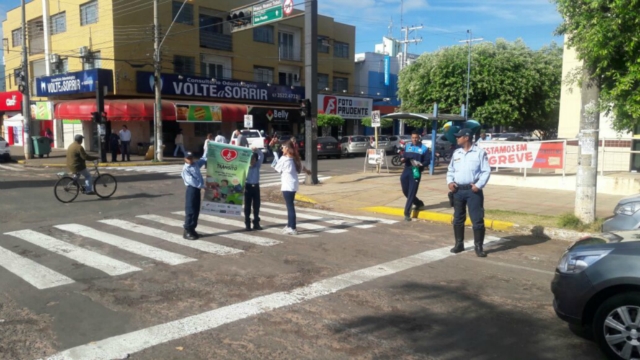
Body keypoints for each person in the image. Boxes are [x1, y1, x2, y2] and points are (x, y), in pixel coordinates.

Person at [447, 128, 491, 257]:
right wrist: (450, 182)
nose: (457, 138)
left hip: (473, 191)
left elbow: (486, 171)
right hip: (458, 190)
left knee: (477, 219)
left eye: (459, 136)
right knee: (458, 218)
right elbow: (450, 170)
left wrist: (479, 185)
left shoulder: (479, 153)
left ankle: (478, 246)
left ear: (466, 137)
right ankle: (459, 244)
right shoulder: (457, 153)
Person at [273, 140, 309, 235]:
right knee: (290, 206)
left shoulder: (284, 159)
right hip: (292, 185)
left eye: (283, 148)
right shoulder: (295, 159)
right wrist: (308, 171)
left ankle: (292, 227)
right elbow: (302, 168)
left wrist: (275, 155)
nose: (282, 149)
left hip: (287, 186)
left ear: (287, 148)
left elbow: (276, 168)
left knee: (290, 207)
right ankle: (289, 225)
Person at [400, 130, 430, 221]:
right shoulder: (408, 146)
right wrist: (402, 159)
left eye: (416, 137)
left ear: (419, 138)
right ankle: (418, 203)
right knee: (405, 191)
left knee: (412, 191)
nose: (414, 139)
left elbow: (427, 161)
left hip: (416, 170)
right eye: (413, 138)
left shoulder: (424, 148)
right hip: (407, 169)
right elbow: (403, 156)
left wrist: (421, 164)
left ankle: (407, 213)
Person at [181, 152, 207, 240]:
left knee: (196, 209)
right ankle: (187, 230)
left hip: (197, 190)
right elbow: (192, 181)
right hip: (191, 189)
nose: (190, 160)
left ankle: (192, 229)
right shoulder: (185, 169)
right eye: (188, 158)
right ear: (185, 159)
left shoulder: (195, 164)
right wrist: (203, 186)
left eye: (191, 158)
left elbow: (203, 159)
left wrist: (209, 147)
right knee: (190, 210)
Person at [245, 146, 264, 231]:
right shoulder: (245, 167)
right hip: (247, 187)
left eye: (253, 159)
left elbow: (262, 155)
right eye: (251, 160)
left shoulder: (257, 166)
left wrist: (257, 150)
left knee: (256, 205)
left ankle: (256, 222)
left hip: (256, 187)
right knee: (247, 206)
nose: (252, 161)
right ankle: (247, 223)